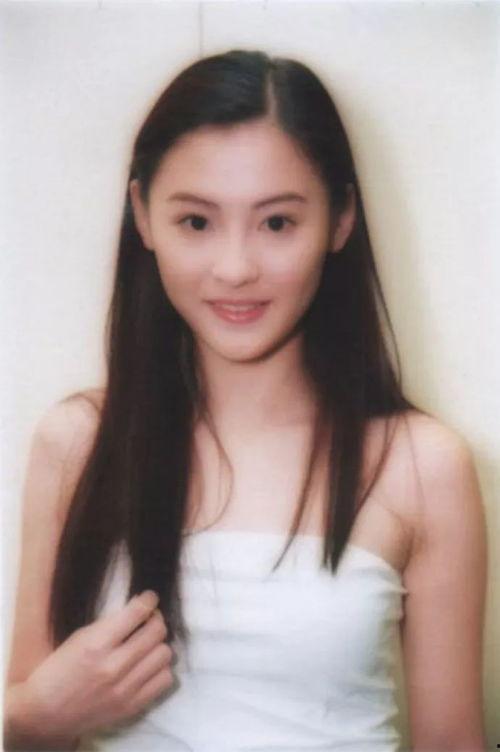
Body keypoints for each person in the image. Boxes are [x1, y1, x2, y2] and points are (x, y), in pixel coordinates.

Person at [4, 49, 487, 751]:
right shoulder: (77, 441)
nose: (235, 268)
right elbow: (27, 726)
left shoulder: (423, 465)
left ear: (340, 219)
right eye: (197, 223)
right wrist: (33, 718)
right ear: (143, 216)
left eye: (277, 223)